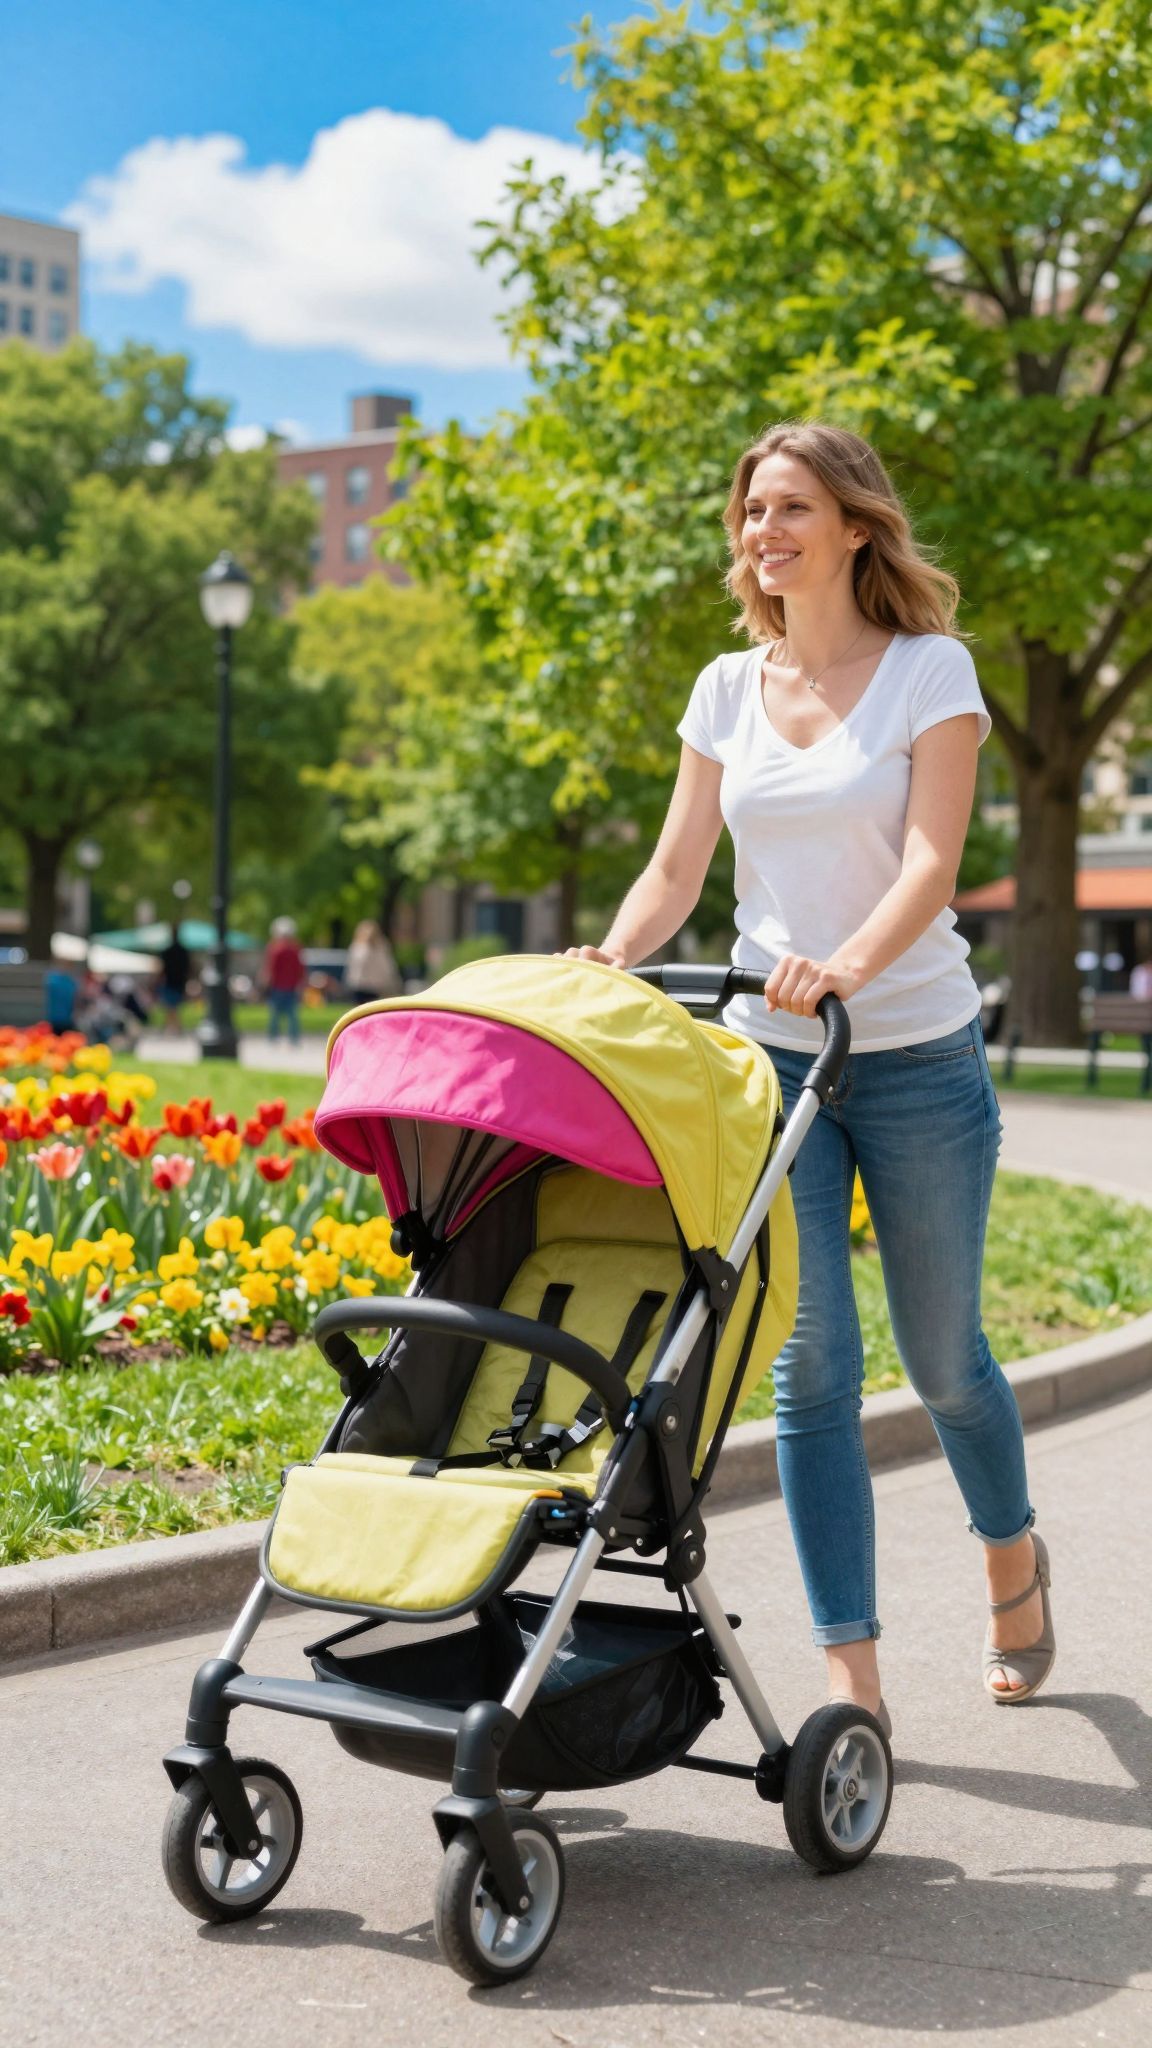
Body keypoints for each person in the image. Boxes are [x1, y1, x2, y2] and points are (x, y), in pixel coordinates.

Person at [565, 420, 1054, 1728]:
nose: (762, 533)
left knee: (944, 1360)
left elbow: (929, 867)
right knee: (810, 1366)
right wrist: (610, 955)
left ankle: (1011, 1552)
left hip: (914, 1055)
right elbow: (676, 872)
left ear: (853, 525)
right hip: (776, 1065)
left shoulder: (929, 674)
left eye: (788, 509)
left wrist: (843, 961)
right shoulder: (728, 689)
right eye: (750, 513)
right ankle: (855, 1675)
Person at [263, 916, 306, 1044]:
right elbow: (301, 969)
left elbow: (270, 969)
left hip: (278, 987)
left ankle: (273, 1038)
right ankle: (294, 1039)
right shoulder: (296, 948)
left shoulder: (275, 948)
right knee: (292, 1015)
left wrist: (265, 984)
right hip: (291, 987)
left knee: (275, 1015)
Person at [345, 918, 403, 1006]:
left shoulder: (380, 947)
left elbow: (386, 966)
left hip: (373, 986)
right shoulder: (358, 946)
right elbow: (354, 966)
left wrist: (391, 981)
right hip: (359, 984)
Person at [156, 926, 192, 1036]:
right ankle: (174, 1028)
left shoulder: (168, 951)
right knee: (172, 1007)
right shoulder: (182, 951)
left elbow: (162, 968)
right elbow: (189, 967)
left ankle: (171, 1028)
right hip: (178, 982)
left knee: (171, 1007)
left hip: (172, 982)